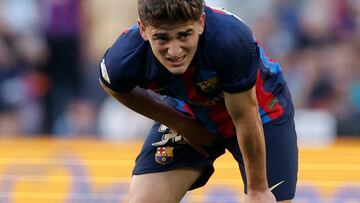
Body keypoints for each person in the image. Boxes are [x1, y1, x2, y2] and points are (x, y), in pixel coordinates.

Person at [99, 0, 298, 202]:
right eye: (161, 38)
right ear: (143, 29)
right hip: (189, 111)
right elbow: (112, 85)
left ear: (201, 22)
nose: (174, 51)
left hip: (260, 112)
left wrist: (258, 190)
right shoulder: (124, 57)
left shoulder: (229, 38)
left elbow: (244, 116)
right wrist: (180, 123)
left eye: (184, 35)